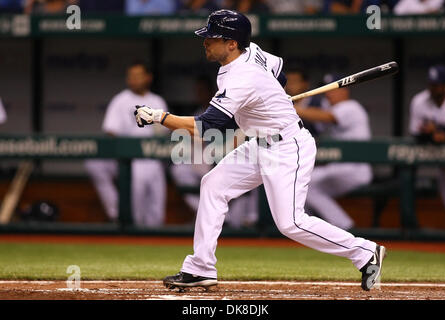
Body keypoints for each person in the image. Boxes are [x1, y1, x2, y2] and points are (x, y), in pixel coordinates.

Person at [135, 9, 385, 291]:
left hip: (287, 147)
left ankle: (364, 252)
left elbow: (207, 129)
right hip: (259, 142)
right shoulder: (252, 51)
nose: (205, 42)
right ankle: (200, 268)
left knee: (290, 223)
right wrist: (273, 93)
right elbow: (279, 70)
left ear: (232, 43)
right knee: (213, 185)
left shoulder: (241, 77)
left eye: (212, 38)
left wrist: (159, 117)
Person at [85, 61, 168, 227]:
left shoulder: (158, 101)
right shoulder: (121, 100)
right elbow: (111, 131)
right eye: (130, 77)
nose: (133, 80)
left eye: (138, 76)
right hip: (131, 161)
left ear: (148, 78)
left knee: (156, 215)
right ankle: (118, 213)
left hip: (154, 159)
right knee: (135, 216)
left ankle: (154, 246)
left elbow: (164, 133)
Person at [170, 75, 259, 228]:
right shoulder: (198, 112)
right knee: (182, 171)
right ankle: (209, 216)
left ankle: (249, 219)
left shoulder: (234, 110)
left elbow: (243, 136)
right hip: (208, 159)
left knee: (259, 171)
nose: (200, 94)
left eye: (203, 91)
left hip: (235, 159)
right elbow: (196, 139)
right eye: (198, 91)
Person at [295, 73, 373, 231]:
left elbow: (326, 116)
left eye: (334, 89)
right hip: (341, 168)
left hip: (356, 168)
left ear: (345, 90)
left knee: (306, 184)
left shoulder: (351, 107)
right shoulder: (331, 108)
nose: (329, 93)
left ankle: (345, 226)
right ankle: (307, 229)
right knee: (303, 186)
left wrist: (290, 107)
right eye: (328, 90)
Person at [409, 64, 445, 227]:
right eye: (431, 84)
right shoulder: (420, 101)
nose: (434, 88)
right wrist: (431, 134)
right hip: (442, 159)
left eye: (438, 85)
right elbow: (415, 133)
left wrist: (443, 132)